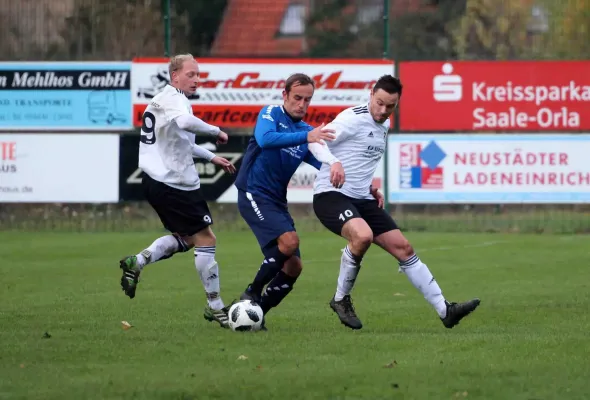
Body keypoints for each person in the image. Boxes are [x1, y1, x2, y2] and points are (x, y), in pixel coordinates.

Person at [310, 75, 480, 330]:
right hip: (330, 195)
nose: (382, 110)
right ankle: (340, 299)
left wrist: (369, 188)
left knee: (404, 249)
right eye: (379, 103)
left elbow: (359, 160)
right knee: (363, 236)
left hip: (362, 199)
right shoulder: (352, 118)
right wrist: (333, 162)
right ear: (371, 94)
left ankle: (446, 311)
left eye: (389, 106)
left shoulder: (384, 124)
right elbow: (315, 141)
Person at [119, 54, 237, 329]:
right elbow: (186, 124)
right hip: (173, 184)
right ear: (175, 76)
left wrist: (211, 157)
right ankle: (216, 306)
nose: (196, 79)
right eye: (190, 74)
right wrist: (216, 131)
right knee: (207, 238)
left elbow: (181, 140)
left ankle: (138, 261)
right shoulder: (174, 99)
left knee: (187, 238)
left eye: (198, 75)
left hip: (158, 182)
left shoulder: (165, 100)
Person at [234, 73, 341, 329]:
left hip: (277, 201)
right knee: (290, 241)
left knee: (294, 266)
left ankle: (255, 314)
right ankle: (251, 293)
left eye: (307, 99)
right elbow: (265, 139)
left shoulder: (306, 132)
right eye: (297, 98)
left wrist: (362, 183)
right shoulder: (271, 113)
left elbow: (323, 164)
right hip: (253, 192)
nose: (302, 104)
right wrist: (308, 137)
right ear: (285, 96)